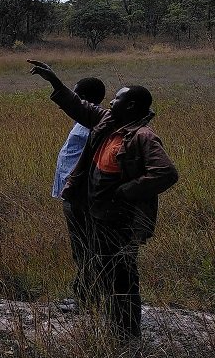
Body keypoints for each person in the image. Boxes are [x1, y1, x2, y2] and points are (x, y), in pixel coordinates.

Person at [28, 60, 178, 340]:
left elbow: (166, 173)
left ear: (131, 106)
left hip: (121, 220)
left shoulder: (142, 137)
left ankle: (126, 334)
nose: (110, 103)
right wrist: (55, 83)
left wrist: (126, 191)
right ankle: (114, 327)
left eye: (116, 99)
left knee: (122, 275)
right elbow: (80, 107)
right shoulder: (109, 122)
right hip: (100, 216)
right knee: (105, 270)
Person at [53, 76, 106, 309]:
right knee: (82, 247)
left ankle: (86, 297)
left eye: (75, 94)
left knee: (85, 247)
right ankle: (86, 293)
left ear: (82, 97)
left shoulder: (94, 120)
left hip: (82, 195)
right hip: (73, 193)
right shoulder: (86, 119)